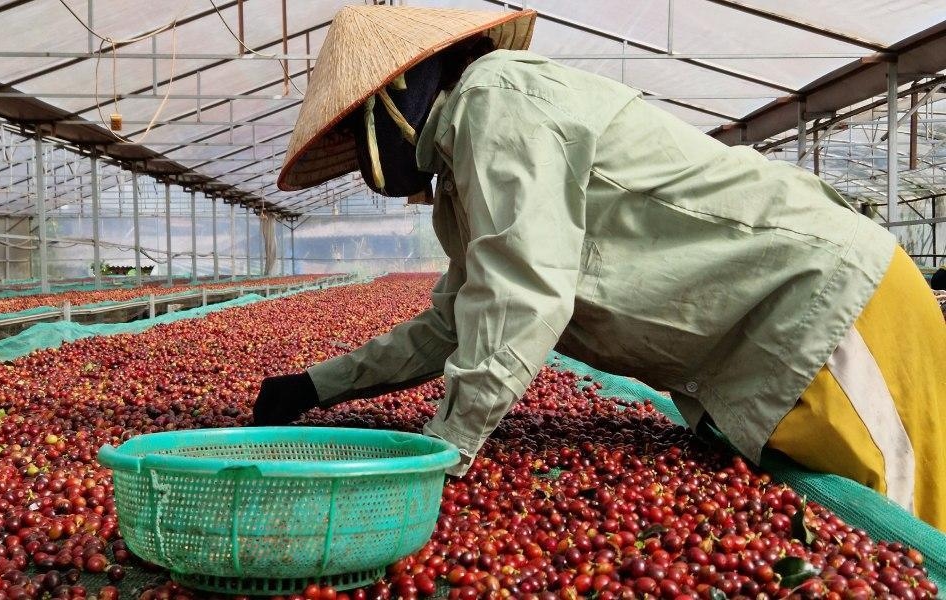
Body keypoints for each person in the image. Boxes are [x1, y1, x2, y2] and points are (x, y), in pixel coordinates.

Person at [255, 6, 946, 529]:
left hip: (830, 314)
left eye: (353, 133)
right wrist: (321, 384)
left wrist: (446, 449)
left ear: (396, 95)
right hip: (769, 357)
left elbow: (525, 295)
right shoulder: (470, 160)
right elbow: (459, 320)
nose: (359, 158)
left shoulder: (498, 104)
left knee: (908, 534)